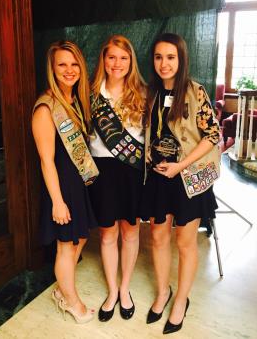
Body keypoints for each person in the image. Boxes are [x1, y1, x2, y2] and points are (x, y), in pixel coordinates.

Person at [141, 33, 220, 335]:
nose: (164, 63)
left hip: (187, 177)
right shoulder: (149, 93)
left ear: (181, 59)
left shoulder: (195, 91)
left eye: (170, 57)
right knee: (158, 238)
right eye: (159, 57)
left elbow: (212, 136)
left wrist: (181, 166)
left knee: (185, 243)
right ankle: (163, 292)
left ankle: (181, 301)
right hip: (159, 176)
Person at [32, 40, 99, 324]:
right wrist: (57, 202)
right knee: (65, 245)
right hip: (60, 187)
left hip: (77, 183)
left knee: (81, 236)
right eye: (62, 64)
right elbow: (46, 161)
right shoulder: (46, 108)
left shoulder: (75, 101)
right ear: (52, 69)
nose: (69, 70)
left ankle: (63, 288)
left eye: (74, 64)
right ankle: (71, 302)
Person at [89, 35, 146, 321]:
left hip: (132, 171)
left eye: (123, 58)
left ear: (131, 62)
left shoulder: (144, 94)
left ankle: (125, 289)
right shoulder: (90, 95)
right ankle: (112, 290)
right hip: (102, 171)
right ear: (103, 60)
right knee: (108, 233)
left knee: (130, 231)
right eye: (112, 57)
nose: (117, 63)